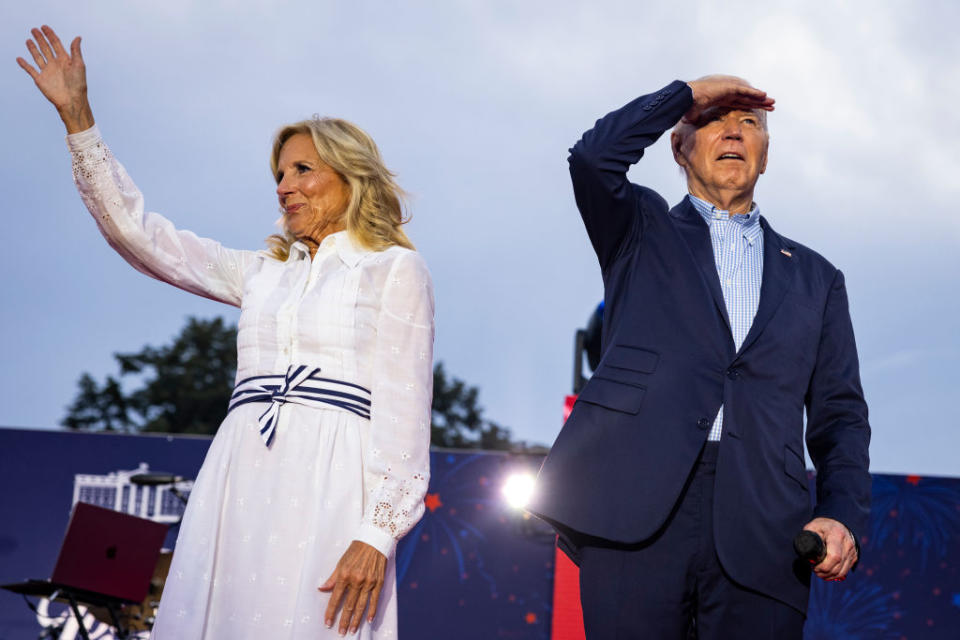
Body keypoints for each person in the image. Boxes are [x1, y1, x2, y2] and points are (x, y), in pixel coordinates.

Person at [18, 25, 434, 639]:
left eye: (301, 169)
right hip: (240, 474)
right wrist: (79, 118)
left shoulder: (393, 269)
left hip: (331, 484)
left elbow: (404, 413)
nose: (283, 185)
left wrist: (375, 533)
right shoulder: (263, 273)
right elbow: (140, 236)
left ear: (350, 177)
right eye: (279, 173)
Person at [529, 75, 871, 638]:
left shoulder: (817, 278)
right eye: (713, 120)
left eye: (750, 123)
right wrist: (688, 93)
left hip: (765, 523)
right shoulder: (640, 228)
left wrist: (843, 515)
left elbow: (842, 416)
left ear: (766, 155)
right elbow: (592, 159)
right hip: (635, 510)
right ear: (678, 145)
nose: (734, 131)